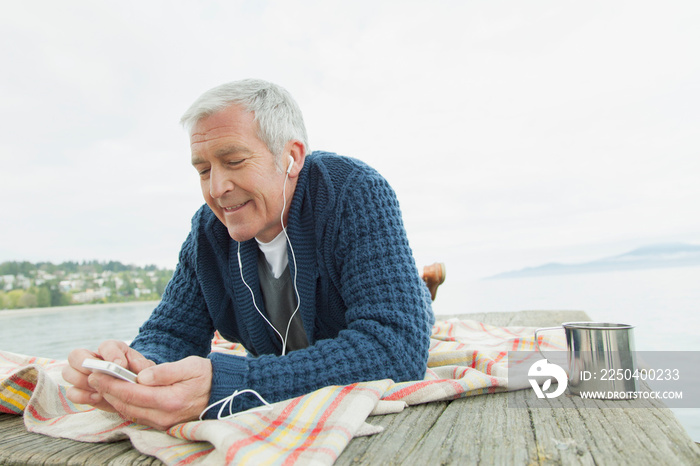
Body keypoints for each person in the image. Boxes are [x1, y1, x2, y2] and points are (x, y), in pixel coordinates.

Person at [63, 79, 436, 430]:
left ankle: (423, 287)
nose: (217, 188)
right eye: (204, 169)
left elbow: (397, 349)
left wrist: (232, 384)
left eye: (234, 162)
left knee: (410, 308)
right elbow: (170, 333)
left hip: (370, 305)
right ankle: (420, 286)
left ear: (291, 157)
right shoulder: (208, 231)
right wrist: (137, 368)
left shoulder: (354, 191)